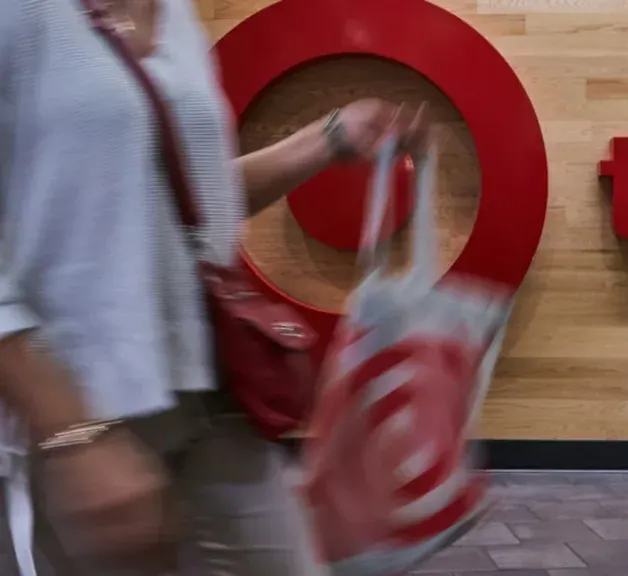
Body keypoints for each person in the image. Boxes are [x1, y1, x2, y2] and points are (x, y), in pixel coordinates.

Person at [0, 0, 431, 573]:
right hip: (83, 406)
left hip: (213, 393)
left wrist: (327, 139)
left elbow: (191, 204)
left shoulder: (176, 15)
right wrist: (71, 433)